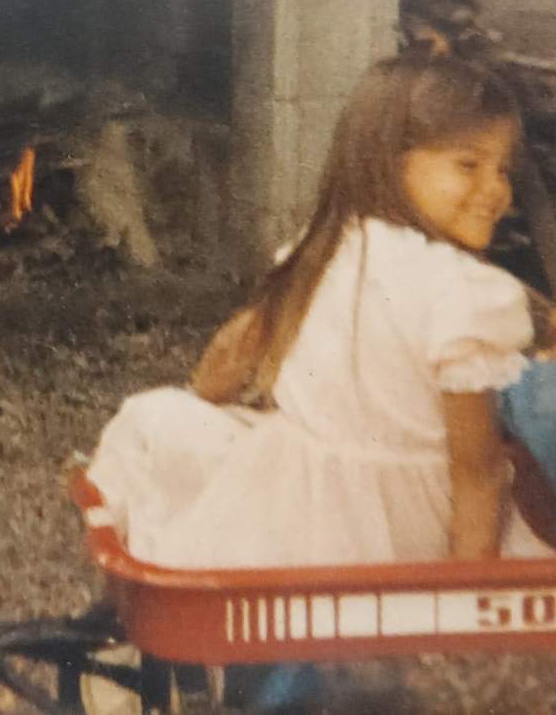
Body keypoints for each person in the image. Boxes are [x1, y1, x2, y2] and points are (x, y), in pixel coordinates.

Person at [88, 51, 553, 578]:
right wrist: (463, 591)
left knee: (159, 417)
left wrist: (217, 413)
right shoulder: (468, 294)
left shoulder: (327, 246)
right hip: (401, 534)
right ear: (388, 161)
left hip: (300, 514)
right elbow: (478, 475)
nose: (495, 190)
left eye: (503, 170)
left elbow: (220, 372)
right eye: (468, 165)